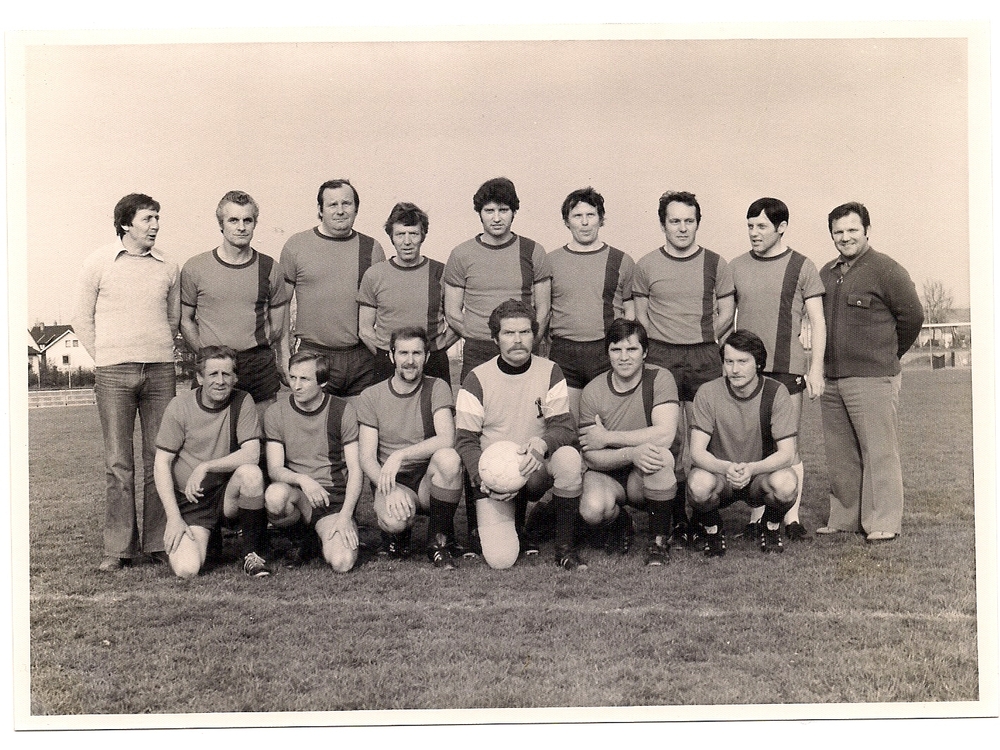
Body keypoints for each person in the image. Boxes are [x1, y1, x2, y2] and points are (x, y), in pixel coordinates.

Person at [443, 177, 552, 553]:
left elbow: (543, 307)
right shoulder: (461, 254)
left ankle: (516, 524)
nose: (496, 217)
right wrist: (486, 338)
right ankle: (477, 527)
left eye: (503, 210)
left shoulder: (533, 251)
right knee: (479, 434)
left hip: (521, 350)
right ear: (479, 213)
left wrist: (520, 343)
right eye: (489, 210)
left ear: (514, 212)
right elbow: (452, 311)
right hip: (479, 349)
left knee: (520, 431)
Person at [73, 193, 180, 572]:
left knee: (160, 458)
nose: (155, 225)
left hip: (160, 371)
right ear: (125, 224)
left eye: (157, 218)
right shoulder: (98, 262)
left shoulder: (168, 265)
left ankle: (158, 542)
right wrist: (106, 355)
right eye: (148, 218)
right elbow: (82, 320)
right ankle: (118, 549)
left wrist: (155, 349)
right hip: (113, 372)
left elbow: (172, 319)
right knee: (119, 462)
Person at [816, 202, 924, 543]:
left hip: (873, 377)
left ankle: (883, 521)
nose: (845, 237)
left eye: (852, 230)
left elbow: (912, 318)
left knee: (878, 450)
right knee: (840, 452)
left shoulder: (887, 270)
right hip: (832, 377)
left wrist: (888, 355)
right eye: (838, 232)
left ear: (867, 230)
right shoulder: (826, 272)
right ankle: (845, 518)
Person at [633, 191, 735, 545]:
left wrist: (702, 335)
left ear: (697, 223)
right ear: (663, 224)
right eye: (674, 221)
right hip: (661, 355)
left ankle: (706, 513)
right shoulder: (645, 265)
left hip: (704, 354)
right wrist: (661, 341)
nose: (682, 228)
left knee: (704, 433)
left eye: (689, 221)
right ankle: (675, 515)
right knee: (671, 436)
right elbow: (641, 316)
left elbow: (727, 311)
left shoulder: (716, 264)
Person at [454, 299, 585, 570]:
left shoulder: (550, 371)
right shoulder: (476, 378)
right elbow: (465, 440)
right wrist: (484, 479)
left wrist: (542, 442)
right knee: (501, 560)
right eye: (508, 333)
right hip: (495, 476)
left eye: (524, 332)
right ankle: (511, 522)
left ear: (534, 335)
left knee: (569, 457)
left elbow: (564, 428)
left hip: (534, 467)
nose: (517, 340)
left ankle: (565, 547)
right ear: (495, 338)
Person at [729, 197, 826, 541]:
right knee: (755, 445)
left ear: (781, 227)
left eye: (762, 227)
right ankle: (757, 518)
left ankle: (792, 519)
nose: (754, 233)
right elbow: (727, 318)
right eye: (750, 226)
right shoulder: (736, 266)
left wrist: (815, 370)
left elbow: (817, 320)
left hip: (787, 368)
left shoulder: (802, 265)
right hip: (746, 371)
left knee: (788, 443)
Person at [153, 346, 268, 578]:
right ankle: (209, 538)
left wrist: (205, 466)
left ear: (235, 378)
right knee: (187, 569)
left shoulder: (242, 400)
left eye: (226, 374)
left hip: (225, 495)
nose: (220, 381)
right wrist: (174, 518)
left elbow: (252, 454)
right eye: (213, 374)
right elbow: (161, 464)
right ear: (200, 377)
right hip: (192, 501)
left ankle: (252, 554)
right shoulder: (179, 406)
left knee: (251, 473)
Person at [356, 327, 464, 568]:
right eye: (403, 353)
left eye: (417, 353)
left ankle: (438, 542)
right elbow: (366, 458)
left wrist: (400, 455)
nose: (410, 360)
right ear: (392, 356)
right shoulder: (371, 395)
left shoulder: (437, 387)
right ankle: (398, 536)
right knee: (395, 521)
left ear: (426, 357)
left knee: (449, 459)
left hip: (427, 477)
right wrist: (389, 490)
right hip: (392, 479)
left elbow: (447, 438)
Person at [180, 190, 290, 423]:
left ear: (254, 224)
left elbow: (279, 323)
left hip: (257, 367)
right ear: (221, 224)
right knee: (209, 441)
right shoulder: (195, 267)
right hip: (213, 365)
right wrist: (205, 353)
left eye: (247, 220)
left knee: (261, 442)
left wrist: (258, 348)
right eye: (233, 220)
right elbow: (185, 319)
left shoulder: (271, 268)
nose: (241, 227)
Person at [687, 330, 799, 556]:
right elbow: (697, 452)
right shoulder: (708, 392)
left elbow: (787, 453)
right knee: (698, 486)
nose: (734, 370)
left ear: (758, 363)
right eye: (729, 362)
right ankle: (713, 529)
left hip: (759, 475)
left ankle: (770, 527)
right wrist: (727, 468)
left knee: (786, 484)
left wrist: (752, 469)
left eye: (742, 362)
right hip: (721, 475)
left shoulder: (776, 392)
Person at [577, 319, 680, 565]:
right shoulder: (593, 390)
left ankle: (658, 541)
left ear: (644, 352)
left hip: (642, 475)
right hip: (607, 472)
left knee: (659, 457)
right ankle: (620, 521)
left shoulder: (660, 378)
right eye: (616, 349)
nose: (624, 357)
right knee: (592, 510)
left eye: (632, 349)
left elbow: (665, 434)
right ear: (608, 353)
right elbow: (591, 454)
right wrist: (631, 453)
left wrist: (609, 438)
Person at [278, 179, 386, 399]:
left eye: (346, 204)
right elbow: (282, 304)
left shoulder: (372, 248)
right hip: (314, 355)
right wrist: (284, 353)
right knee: (316, 426)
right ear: (320, 210)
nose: (340, 211)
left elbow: (383, 306)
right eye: (332, 205)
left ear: (356, 208)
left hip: (361, 359)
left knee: (361, 427)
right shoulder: (296, 245)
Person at [262, 351, 363, 572]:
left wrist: (346, 516)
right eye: (292, 377)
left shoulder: (342, 411)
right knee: (274, 496)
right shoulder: (275, 412)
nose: (296, 386)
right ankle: (303, 540)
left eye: (304, 379)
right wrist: (303, 480)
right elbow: (275, 469)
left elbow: (356, 471)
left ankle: (326, 535)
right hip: (299, 494)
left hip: (332, 499)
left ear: (323, 381)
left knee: (342, 562)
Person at [547, 187, 636, 419]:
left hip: (606, 349)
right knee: (567, 424)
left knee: (605, 422)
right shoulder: (551, 261)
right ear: (567, 221)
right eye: (577, 216)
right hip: (564, 351)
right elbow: (544, 310)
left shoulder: (622, 260)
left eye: (591, 215)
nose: (585, 223)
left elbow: (630, 310)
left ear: (601, 219)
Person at [357, 203, 458, 384]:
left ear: (422, 236)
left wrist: (434, 351)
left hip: (432, 362)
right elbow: (365, 330)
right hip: (388, 363)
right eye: (400, 234)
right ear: (392, 237)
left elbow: (457, 321)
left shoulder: (441, 272)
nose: (407, 241)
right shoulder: (374, 275)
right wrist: (392, 356)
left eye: (413, 234)